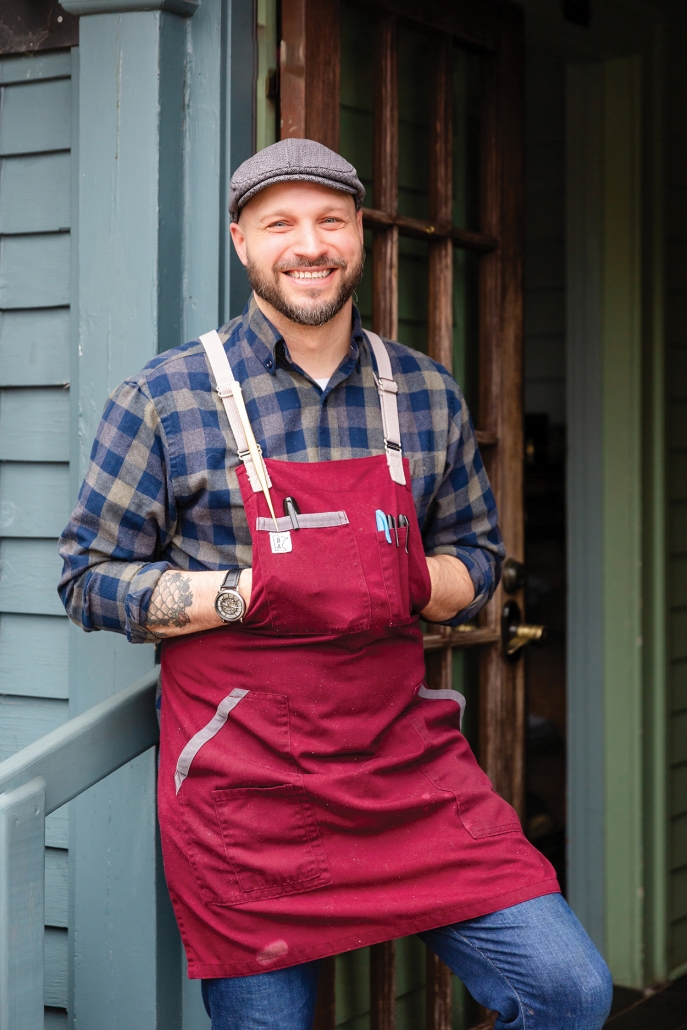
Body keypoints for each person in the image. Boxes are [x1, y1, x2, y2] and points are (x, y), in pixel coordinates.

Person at [58, 139, 612, 1030]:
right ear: (242, 241)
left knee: (566, 988)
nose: (307, 243)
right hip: (246, 794)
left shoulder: (426, 393)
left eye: (330, 220)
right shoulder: (165, 397)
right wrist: (250, 590)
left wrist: (397, 576)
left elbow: (474, 561)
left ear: (361, 237)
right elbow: (89, 580)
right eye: (280, 223)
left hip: (403, 771)